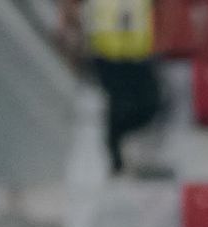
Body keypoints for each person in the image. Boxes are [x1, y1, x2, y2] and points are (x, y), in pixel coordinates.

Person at [60, 0, 161, 174]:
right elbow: (72, 10)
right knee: (117, 106)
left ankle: (116, 141)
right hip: (106, 55)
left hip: (137, 54)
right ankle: (114, 155)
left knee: (149, 104)